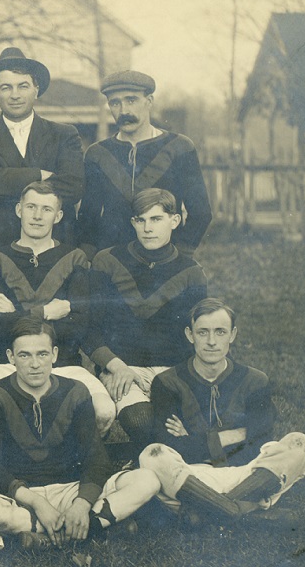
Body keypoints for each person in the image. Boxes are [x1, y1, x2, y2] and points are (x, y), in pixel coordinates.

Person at [0, 320, 159, 547]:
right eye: (24, 356)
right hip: (23, 495)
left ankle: (49, 535)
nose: (34, 364)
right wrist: (37, 503)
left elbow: (96, 458)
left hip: (71, 489)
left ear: (54, 354)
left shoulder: (75, 391)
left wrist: (81, 503)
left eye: (42, 354)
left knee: (146, 480)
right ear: (11, 357)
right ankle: (95, 527)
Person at [138, 298, 305, 522]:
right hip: (192, 475)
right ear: (189, 334)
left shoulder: (255, 380)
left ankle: (204, 512)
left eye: (220, 332)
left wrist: (195, 440)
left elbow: (259, 443)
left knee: (300, 444)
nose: (211, 341)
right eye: (203, 332)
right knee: (154, 454)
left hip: (245, 472)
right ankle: (242, 511)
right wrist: (236, 435)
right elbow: (170, 445)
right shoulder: (167, 382)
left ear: (232, 335)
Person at [0, 181, 113, 431]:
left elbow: (78, 327)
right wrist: (45, 313)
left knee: (103, 411)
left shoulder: (74, 259)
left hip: (64, 364)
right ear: (19, 210)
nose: (37, 216)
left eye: (46, 209)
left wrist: (14, 315)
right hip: (8, 364)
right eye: (31, 207)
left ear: (58, 216)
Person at [87, 188, 208, 454]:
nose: (147, 228)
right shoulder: (107, 261)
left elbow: (199, 335)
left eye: (156, 219)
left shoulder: (190, 271)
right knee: (141, 422)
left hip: (172, 370)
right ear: (132, 223)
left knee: (176, 428)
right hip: (123, 367)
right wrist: (116, 366)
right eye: (140, 220)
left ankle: (160, 468)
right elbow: (89, 330)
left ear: (174, 221)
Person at [0, 46, 84, 270]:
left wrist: (4, 181)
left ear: (36, 90)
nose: (15, 95)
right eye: (6, 88)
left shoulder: (64, 135)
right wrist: (39, 175)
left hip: (54, 253)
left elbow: (73, 186)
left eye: (23, 86)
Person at [77, 70, 212, 259]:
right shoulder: (97, 154)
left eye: (131, 100)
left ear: (149, 101)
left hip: (164, 263)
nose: (124, 111)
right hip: (113, 264)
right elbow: (88, 218)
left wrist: (179, 257)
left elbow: (201, 213)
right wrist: (92, 262)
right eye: (115, 103)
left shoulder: (179, 148)